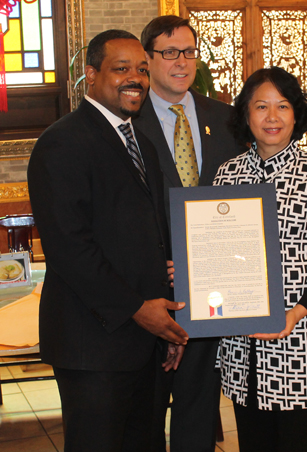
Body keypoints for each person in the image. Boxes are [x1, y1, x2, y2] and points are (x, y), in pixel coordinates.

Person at [27, 29, 188, 452]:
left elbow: (153, 241)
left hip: (146, 345)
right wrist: (138, 310)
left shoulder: (144, 145)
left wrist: (166, 331)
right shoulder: (61, 142)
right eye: (121, 69)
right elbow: (68, 248)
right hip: (93, 345)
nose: (134, 78)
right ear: (91, 74)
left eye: (141, 69)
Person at [213, 66, 307, 452]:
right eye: (261, 107)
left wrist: (295, 313)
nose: (272, 117)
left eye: (283, 106)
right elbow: (215, 252)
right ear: (246, 114)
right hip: (243, 348)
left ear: (297, 115)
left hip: (301, 344)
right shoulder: (227, 176)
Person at [133, 15, 245, 452]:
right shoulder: (129, 119)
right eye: (169, 52)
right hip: (152, 291)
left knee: (198, 411)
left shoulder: (227, 118)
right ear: (148, 58)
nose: (182, 62)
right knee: (145, 413)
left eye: (189, 52)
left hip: (212, 290)